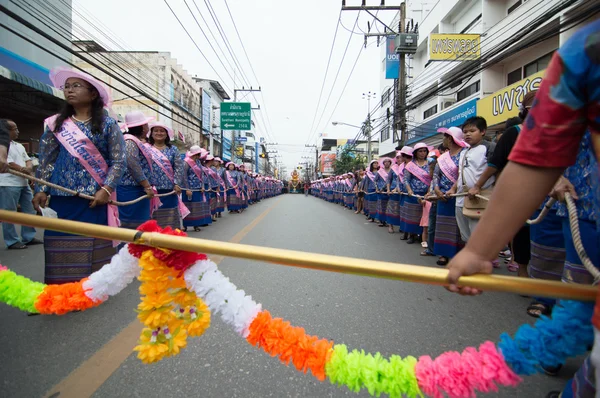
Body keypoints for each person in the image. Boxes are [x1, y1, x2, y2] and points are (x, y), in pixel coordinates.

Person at [446, 20, 600, 398]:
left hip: (578, 212)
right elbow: (534, 161)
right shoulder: (588, 51)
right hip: (583, 211)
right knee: (572, 287)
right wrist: (479, 251)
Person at [33, 67, 126, 284]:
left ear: (93, 94)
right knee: (58, 242)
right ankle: (58, 291)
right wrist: (41, 189)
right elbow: (47, 160)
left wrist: (106, 189)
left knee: (92, 244)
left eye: (76, 86)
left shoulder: (108, 124)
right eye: (67, 87)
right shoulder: (56, 123)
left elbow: (118, 161)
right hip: (62, 196)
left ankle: (90, 290)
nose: (69, 90)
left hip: (94, 198)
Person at [447, 116, 496, 245]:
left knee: (478, 236)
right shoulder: (463, 152)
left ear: (483, 131)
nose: (468, 134)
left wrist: (477, 186)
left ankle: (480, 263)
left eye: (472, 131)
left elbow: (494, 167)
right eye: (465, 131)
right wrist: (453, 188)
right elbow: (461, 173)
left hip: (480, 197)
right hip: (461, 198)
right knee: (466, 236)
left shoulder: (489, 147)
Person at [428, 127, 468, 265]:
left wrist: (452, 188)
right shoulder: (443, 158)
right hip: (442, 197)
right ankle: (443, 254)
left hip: (458, 195)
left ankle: (458, 255)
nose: (443, 140)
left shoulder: (464, 154)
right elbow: (436, 175)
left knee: (458, 227)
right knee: (443, 225)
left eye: (444, 137)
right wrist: (437, 190)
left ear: (450, 138)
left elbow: (464, 174)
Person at [0, 119, 42, 249]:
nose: (18, 131)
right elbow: (9, 163)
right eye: (14, 129)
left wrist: (28, 169)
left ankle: (28, 236)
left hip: (23, 183)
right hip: (8, 183)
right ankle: (12, 241)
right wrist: (25, 170)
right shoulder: (3, 145)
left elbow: (28, 160)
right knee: (10, 213)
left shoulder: (19, 145)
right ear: (6, 131)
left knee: (29, 209)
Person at [118, 111, 155, 230]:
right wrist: (147, 185)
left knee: (140, 224)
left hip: (138, 189)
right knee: (132, 226)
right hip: (131, 189)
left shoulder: (134, 141)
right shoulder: (130, 141)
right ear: (143, 127)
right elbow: (133, 165)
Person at [147, 121, 185, 229]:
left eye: (162, 131)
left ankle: (170, 242)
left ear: (166, 134)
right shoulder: (145, 148)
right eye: (156, 131)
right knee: (152, 219)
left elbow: (179, 168)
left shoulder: (173, 150)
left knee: (169, 219)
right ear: (151, 133)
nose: (159, 133)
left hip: (170, 190)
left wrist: (177, 183)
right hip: (151, 190)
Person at [404, 143, 432, 244]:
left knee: (423, 215)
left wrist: (429, 192)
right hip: (413, 194)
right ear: (415, 153)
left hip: (426, 194)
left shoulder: (430, 163)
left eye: (424, 151)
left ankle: (422, 235)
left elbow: (433, 178)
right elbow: (406, 179)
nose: (422, 153)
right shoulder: (410, 165)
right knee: (412, 215)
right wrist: (409, 190)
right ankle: (412, 235)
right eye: (420, 151)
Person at [182, 146, 211, 231]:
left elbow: (201, 175)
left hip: (198, 188)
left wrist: (202, 186)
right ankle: (185, 225)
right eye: (197, 154)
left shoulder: (198, 162)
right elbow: (184, 176)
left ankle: (196, 225)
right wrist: (187, 188)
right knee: (188, 207)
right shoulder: (186, 162)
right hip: (188, 189)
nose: (198, 156)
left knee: (197, 207)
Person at [375, 158, 392, 227]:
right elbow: (375, 180)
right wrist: (377, 188)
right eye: (385, 162)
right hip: (380, 191)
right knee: (381, 206)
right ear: (383, 163)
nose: (387, 163)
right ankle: (381, 220)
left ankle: (387, 220)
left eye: (388, 162)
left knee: (388, 206)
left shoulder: (392, 171)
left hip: (389, 190)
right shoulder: (379, 172)